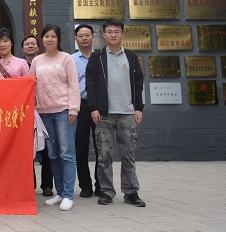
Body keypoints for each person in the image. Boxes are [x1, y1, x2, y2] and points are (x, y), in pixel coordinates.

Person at [86, 18, 145, 207]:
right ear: (104, 35)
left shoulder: (131, 56)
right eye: (110, 32)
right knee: (104, 155)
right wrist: (94, 107)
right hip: (104, 114)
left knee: (129, 155)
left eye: (117, 32)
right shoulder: (97, 57)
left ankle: (131, 192)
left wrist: (138, 107)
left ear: (123, 34)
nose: (113, 35)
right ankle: (106, 191)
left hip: (127, 113)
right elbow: (90, 84)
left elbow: (138, 83)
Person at [30, 24, 80, 211]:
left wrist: (74, 109)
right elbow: (31, 86)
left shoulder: (66, 58)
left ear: (58, 39)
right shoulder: (37, 61)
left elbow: (74, 85)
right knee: (53, 155)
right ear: (42, 39)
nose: (49, 39)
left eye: (53, 36)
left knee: (67, 153)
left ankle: (68, 194)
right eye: (46, 36)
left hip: (63, 111)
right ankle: (60, 193)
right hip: (43, 113)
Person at [71, 24, 101, 198]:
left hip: (98, 106)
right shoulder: (71, 60)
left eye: (87, 35)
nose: (84, 38)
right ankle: (85, 186)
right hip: (80, 106)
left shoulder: (101, 58)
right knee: (80, 148)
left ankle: (101, 184)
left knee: (101, 147)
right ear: (76, 39)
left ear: (93, 38)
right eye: (80, 36)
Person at [22, 35, 53, 197]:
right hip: (26, 112)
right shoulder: (20, 65)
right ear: (22, 48)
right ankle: (31, 183)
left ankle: (47, 185)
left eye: (33, 43)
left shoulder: (44, 64)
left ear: (38, 47)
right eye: (27, 44)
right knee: (28, 150)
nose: (30, 46)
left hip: (44, 109)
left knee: (47, 149)